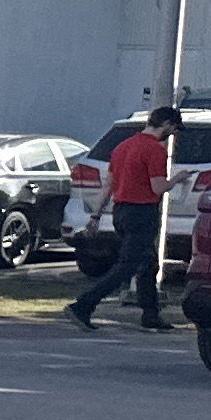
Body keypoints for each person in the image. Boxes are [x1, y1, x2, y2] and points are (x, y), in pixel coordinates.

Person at [68, 105, 179, 331]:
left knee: (148, 264)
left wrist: (96, 215)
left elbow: (109, 184)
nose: (173, 134)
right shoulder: (155, 150)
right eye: (174, 128)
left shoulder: (122, 147)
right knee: (126, 267)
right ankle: (83, 305)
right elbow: (158, 187)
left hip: (121, 211)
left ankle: (150, 314)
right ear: (166, 124)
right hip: (142, 212)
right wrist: (178, 179)